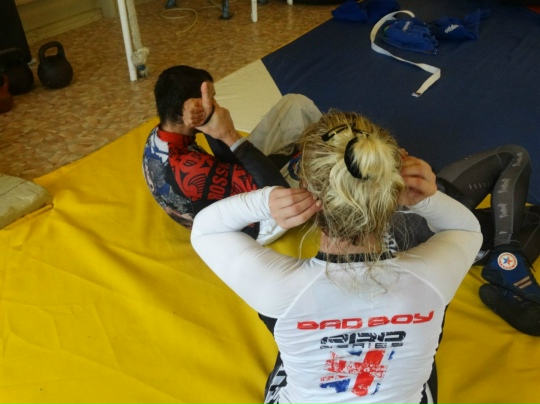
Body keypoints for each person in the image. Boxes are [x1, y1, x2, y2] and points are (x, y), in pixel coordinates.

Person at [191, 110, 483, 404]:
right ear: (391, 187)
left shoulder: (280, 289)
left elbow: (205, 231)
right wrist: (427, 198)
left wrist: (264, 201)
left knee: (291, 329)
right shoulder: (432, 279)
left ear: (306, 187)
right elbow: (467, 229)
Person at [142, 65, 321, 244]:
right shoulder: (191, 168)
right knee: (325, 169)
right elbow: (279, 195)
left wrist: (206, 121)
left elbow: (228, 163)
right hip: (259, 223)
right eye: (211, 99)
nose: (217, 106)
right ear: (182, 112)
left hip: (234, 188)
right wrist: (230, 136)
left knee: (295, 105)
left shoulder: (159, 136)